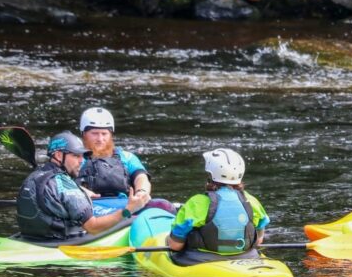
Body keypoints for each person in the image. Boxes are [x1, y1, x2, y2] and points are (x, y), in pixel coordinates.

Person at [16, 131, 148, 240]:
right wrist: (128, 210)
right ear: (58, 155)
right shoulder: (65, 185)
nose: (81, 161)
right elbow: (93, 227)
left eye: (82, 156)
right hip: (61, 242)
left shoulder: (33, 176)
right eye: (76, 156)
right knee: (146, 212)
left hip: (33, 237)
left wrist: (81, 191)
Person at [167, 148, 269, 261]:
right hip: (246, 256)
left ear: (210, 176)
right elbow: (259, 241)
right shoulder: (252, 201)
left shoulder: (197, 203)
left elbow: (175, 245)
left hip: (201, 260)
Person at [77, 107, 152, 199]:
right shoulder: (73, 158)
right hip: (86, 205)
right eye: (95, 133)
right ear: (83, 133)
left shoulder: (127, 157)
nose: (100, 139)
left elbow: (141, 177)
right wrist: (79, 190)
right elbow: (61, 182)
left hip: (123, 204)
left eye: (104, 134)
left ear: (111, 134)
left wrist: (141, 191)